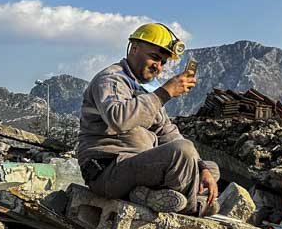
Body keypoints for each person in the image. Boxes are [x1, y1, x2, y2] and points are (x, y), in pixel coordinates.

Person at [77, 22, 219, 216]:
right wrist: (165, 93)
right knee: (182, 153)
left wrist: (202, 167)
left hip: (140, 168)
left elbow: (167, 132)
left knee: (209, 168)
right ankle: (194, 209)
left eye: (163, 62)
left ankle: (144, 196)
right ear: (134, 49)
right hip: (109, 170)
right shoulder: (111, 79)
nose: (158, 67)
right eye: (154, 57)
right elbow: (118, 118)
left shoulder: (145, 90)